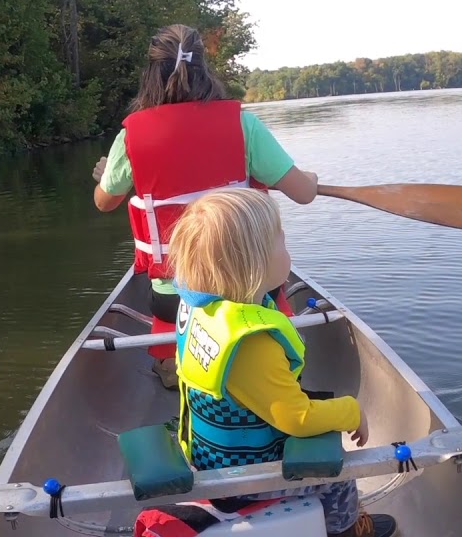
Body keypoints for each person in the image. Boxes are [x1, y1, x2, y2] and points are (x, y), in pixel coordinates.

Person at [166, 188, 399, 537]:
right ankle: (342, 531)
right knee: (337, 472)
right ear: (254, 263)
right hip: (246, 481)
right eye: (282, 240)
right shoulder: (252, 343)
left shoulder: (202, 309)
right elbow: (298, 419)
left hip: (207, 459)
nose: (288, 248)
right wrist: (351, 410)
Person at [91, 23, 319, 390]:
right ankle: (273, 357)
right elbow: (304, 194)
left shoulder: (130, 136)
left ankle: (172, 362)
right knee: (265, 283)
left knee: (169, 299)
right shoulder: (243, 124)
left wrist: (106, 177)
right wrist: (309, 178)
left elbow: (105, 201)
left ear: (150, 74)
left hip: (176, 298)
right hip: (250, 287)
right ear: (205, 69)